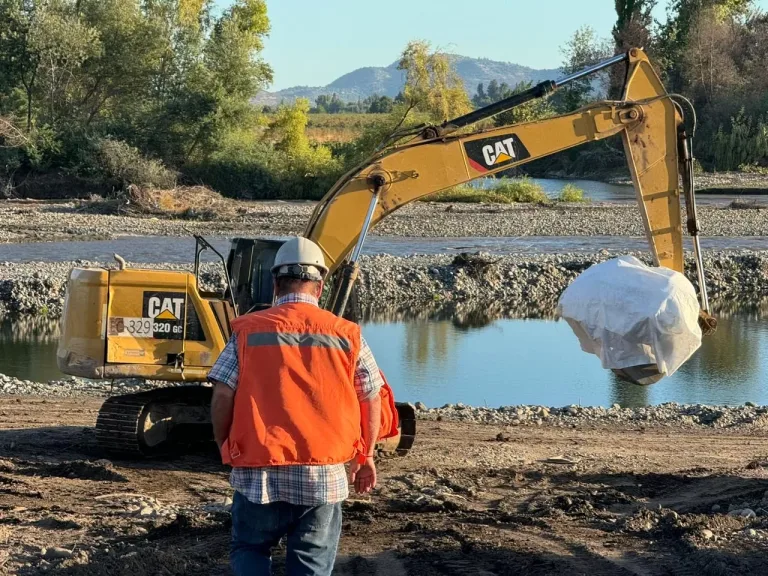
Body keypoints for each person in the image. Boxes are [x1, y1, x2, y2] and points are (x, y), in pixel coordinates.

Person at [208, 236, 383, 576]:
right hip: (323, 472)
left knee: (250, 549)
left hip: (258, 470)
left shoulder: (247, 331)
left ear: (274, 284)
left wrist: (223, 444)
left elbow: (222, 393)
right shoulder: (347, 333)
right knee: (311, 562)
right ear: (320, 287)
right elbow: (370, 395)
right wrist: (368, 457)